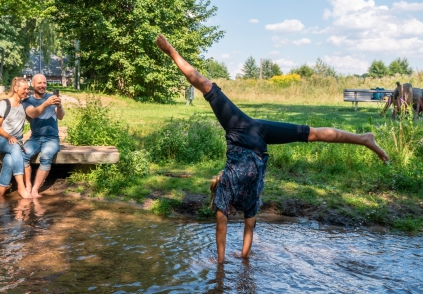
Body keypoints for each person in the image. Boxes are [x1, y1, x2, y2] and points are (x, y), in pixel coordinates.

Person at [155, 34, 389, 263]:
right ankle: (363, 138)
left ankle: (364, 139)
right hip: (248, 130)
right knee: (311, 133)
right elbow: (234, 231)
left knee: (310, 134)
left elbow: (233, 231)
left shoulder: (240, 198)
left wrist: (225, 263)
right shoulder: (233, 193)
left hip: (248, 136)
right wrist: (232, 258)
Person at [22, 74, 65, 198]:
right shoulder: (28, 101)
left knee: (46, 156)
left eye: (44, 83)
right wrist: (46, 104)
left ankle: (35, 189)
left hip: (52, 138)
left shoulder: (52, 98)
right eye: (39, 83)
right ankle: (28, 185)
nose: (42, 86)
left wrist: (59, 106)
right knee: (23, 154)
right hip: (34, 138)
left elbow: (60, 116)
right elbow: (32, 113)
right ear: (33, 84)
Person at [0, 77, 32, 199]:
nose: (27, 91)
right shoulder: (4, 104)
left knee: (9, 160)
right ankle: (21, 186)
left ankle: (0, 195)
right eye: (24, 88)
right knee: (15, 147)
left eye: (28, 89)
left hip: (14, 143)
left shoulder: (24, 105)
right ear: (15, 88)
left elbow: (34, 116)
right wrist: (9, 136)